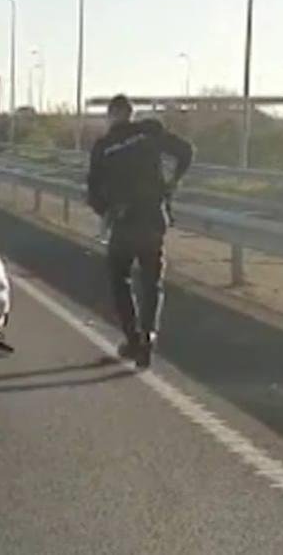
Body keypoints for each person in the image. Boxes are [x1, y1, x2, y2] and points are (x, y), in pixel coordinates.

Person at [86, 94, 193, 369]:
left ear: (111, 116)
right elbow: (186, 151)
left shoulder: (104, 146)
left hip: (124, 221)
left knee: (119, 279)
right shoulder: (150, 132)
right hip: (153, 218)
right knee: (151, 281)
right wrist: (172, 183)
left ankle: (133, 339)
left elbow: (93, 191)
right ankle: (148, 336)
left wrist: (106, 212)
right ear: (131, 113)